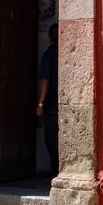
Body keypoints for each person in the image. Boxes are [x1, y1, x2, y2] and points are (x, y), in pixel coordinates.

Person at [36, 26, 58, 176]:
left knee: (51, 138)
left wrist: (40, 104)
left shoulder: (49, 54)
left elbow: (45, 80)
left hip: (51, 104)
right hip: (65, 102)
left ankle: (56, 169)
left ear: (49, 37)